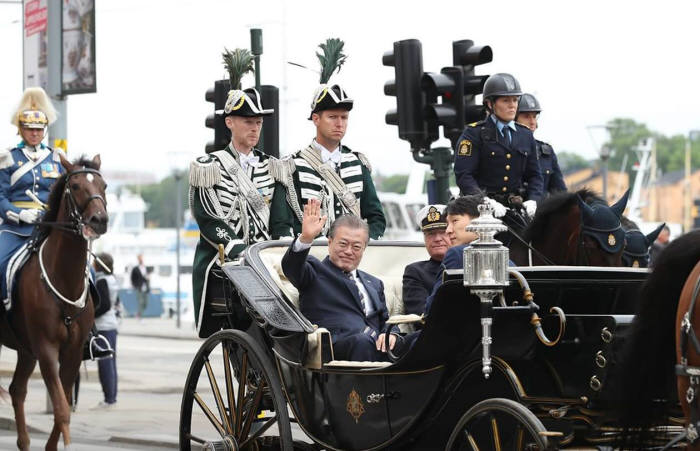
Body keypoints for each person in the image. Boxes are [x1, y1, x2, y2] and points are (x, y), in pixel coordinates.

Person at [189, 48, 287, 337]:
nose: (254, 128)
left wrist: (280, 252)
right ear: (229, 122)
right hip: (228, 260)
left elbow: (280, 220)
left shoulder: (274, 167)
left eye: (258, 122)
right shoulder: (208, 166)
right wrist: (241, 252)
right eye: (247, 121)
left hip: (267, 259)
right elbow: (209, 219)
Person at [270, 38, 385, 240]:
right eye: (332, 117)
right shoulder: (291, 166)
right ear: (316, 119)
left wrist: (365, 243)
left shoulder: (357, 163)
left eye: (344, 117)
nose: (339, 123)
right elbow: (281, 224)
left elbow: (376, 218)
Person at [281, 199, 396, 361]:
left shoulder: (374, 283)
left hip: (380, 347)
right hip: (339, 350)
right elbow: (291, 267)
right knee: (362, 341)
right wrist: (306, 238)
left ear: (364, 249)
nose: (349, 251)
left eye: (356, 247)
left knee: (421, 339)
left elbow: (385, 321)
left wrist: (392, 335)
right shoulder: (313, 271)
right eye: (343, 244)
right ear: (330, 242)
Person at [0, 87, 64, 304]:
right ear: (21, 129)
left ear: (45, 129)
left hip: (49, 227)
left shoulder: (56, 159)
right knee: (0, 263)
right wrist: (20, 214)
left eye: (39, 128)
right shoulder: (7, 158)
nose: (34, 133)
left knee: (85, 270)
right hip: (16, 228)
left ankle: (89, 329)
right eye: (29, 128)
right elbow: (0, 196)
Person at [453, 73, 543, 221]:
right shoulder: (473, 134)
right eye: (506, 100)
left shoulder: (525, 134)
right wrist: (483, 200)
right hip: (481, 212)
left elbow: (535, 175)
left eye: (515, 100)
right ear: (490, 104)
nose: (512, 105)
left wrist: (533, 199)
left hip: (515, 210)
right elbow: (464, 175)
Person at [424, 195, 483, 313]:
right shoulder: (506, 255)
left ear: (478, 221)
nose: (448, 230)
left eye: (454, 221)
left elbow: (432, 309)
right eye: (448, 224)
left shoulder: (457, 254)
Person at [402, 204, 451, 315]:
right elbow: (421, 313)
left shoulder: (468, 265)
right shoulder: (415, 272)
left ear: (452, 233)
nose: (438, 239)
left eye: (443, 232)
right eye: (431, 234)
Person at [515, 93, 566, 195]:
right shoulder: (503, 148)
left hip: (541, 209)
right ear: (514, 118)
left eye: (534, 117)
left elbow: (560, 193)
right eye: (526, 117)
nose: (532, 121)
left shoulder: (547, 152)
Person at [92, 253, 119, 409]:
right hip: (112, 326)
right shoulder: (112, 279)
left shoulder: (101, 280)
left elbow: (104, 305)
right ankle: (112, 397)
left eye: (95, 262)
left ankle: (108, 399)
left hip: (103, 327)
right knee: (111, 364)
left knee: (105, 365)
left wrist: (90, 315)